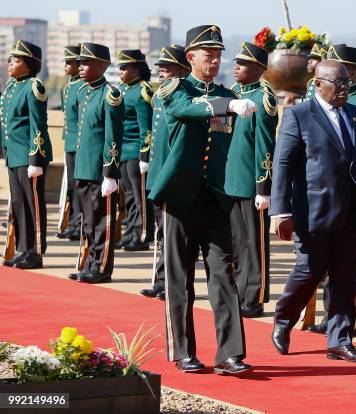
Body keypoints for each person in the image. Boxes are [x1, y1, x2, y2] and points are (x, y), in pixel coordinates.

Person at [148, 24, 257, 375]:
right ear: (190, 57)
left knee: (223, 274)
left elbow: (233, 150)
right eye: (207, 54)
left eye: (218, 54)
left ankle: (230, 353)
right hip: (179, 196)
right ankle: (182, 352)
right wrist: (227, 105)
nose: (214, 60)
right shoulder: (175, 88)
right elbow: (186, 108)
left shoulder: (226, 93)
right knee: (179, 279)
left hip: (214, 197)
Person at [270, 60, 356, 363]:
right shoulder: (298, 116)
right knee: (309, 272)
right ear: (318, 84)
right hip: (313, 212)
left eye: (347, 83)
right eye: (338, 83)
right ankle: (283, 320)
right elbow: (284, 165)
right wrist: (280, 211)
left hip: (351, 214)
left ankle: (339, 340)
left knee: (345, 277)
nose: (345, 89)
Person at [303, 44, 356, 335]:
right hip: (325, 198)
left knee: (350, 263)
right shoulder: (321, 101)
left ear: (354, 72)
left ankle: (350, 318)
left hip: (353, 196)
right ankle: (330, 316)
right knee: (327, 263)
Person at [225, 42, 278, 318]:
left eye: (243, 63)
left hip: (250, 182)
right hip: (231, 181)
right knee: (237, 242)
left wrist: (263, 186)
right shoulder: (234, 95)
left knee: (254, 244)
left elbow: (265, 146)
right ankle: (239, 289)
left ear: (258, 68)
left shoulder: (263, 98)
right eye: (236, 61)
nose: (236, 66)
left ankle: (254, 296)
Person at [67, 42, 124, 284]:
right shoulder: (82, 92)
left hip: (99, 171)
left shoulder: (110, 94)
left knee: (102, 221)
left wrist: (109, 173)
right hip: (83, 167)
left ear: (102, 66)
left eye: (87, 62)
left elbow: (113, 136)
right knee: (88, 221)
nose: (81, 66)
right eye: (80, 62)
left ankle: (101, 268)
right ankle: (89, 262)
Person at [140, 45, 191, 301]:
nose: (161, 69)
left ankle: (171, 282)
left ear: (183, 69)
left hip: (173, 178)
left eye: (167, 66)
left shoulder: (184, 94)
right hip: (158, 175)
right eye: (160, 65)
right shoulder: (160, 94)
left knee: (174, 236)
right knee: (162, 232)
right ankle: (161, 281)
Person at [0, 40, 52, 269]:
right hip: (14, 155)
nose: (11, 63)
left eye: (17, 60)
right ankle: (23, 247)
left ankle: (36, 251)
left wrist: (36, 158)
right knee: (19, 204)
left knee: (33, 206)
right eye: (11, 59)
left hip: (29, 155)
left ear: (30, 65)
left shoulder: (34, 86)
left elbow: (37, 125)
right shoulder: (12, 87)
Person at [116, 49, 154, 251]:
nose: (120, 71)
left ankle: (142, 234)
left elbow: (145, 127)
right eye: (119, 67)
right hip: (122, 151)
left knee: (140, 198)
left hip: (135, 152)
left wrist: (144, 155)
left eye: (125, 67)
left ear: (137, 69)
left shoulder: (142, 91)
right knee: (128, 197)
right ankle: (131, 231)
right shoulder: (123, 89)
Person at [57, 45, 84, 242]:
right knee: (72, 188)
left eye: (69, 62)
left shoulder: (83, 86)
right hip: (70, 143)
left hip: (81, 145)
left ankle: (80, 223)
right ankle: (73, 222)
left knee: (81, 186)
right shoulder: (68, 87)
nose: (66, 66)